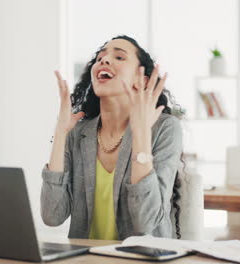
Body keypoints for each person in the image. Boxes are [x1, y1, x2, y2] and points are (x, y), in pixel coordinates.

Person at [41, 35, 183, 240]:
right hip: (85, 257)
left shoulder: (165, 128)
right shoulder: (79, 133)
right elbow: (52, 216)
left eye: (119, 57)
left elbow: (146, 222)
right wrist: (60, 134)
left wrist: (141, 134)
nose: (104, 60)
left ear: (140, 80)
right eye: (100, 57)